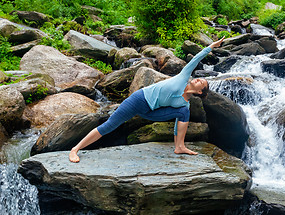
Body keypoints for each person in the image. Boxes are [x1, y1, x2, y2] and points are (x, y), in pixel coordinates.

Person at [69, 37, 225, 163]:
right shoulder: (183, 77)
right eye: (199, 80)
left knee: (184, 112)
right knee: (109, 125)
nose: (197, 80)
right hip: (139, 100)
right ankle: (75, 149)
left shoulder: (184, 103)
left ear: (199, 91)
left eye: (201, 83)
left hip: (151, 112)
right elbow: (196, 59)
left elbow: (179, 122)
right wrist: (212, 46)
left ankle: (179, 146)